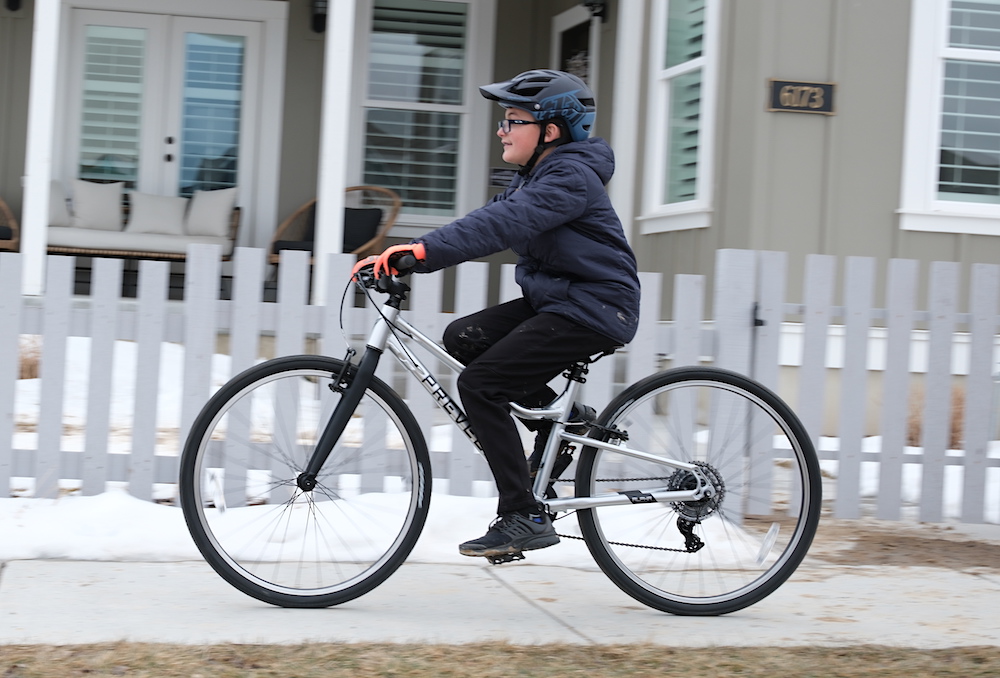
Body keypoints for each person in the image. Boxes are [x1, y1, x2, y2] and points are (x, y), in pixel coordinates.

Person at [359, 69, 641, 559]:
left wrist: (422, 255)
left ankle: (523, 514)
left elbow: (504, 224)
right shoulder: (536, 176)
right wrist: (409, 250)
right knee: (464, 338)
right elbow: (483, 220)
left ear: (550, 132)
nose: (501, 130)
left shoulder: (569, 177)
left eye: (513, 120)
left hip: (595, 307)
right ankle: (567, 424)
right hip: (561, 299)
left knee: (481, 384)